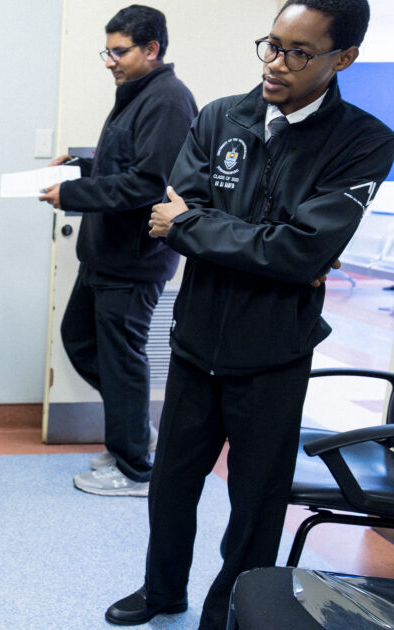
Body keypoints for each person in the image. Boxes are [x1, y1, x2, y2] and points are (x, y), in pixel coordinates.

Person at [105, 1, 394, 627]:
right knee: (172, 485)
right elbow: (174, 222)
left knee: (254, 505)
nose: (276, 64)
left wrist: (200, 225)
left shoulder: (364, 141)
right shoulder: (219, 117)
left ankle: (229, 614)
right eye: (271, 44)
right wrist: (251, 240)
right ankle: (161, 593)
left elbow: (303, 249)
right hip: (196, 340)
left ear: (343, 58)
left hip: (273, 354)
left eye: (298, 53)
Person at [38, 5, 197, 496]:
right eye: (106, 50)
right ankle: (132, 433)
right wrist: (81, 166)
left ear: (151, 49)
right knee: (82, 342)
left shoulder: (168, 101)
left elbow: (148, 184)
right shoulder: (136, 94)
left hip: (133, 261)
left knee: (123, 361)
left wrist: (73, 195)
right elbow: (122, 164)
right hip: (104, 255)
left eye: (119, 51)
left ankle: (135, 469)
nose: (109, 60)